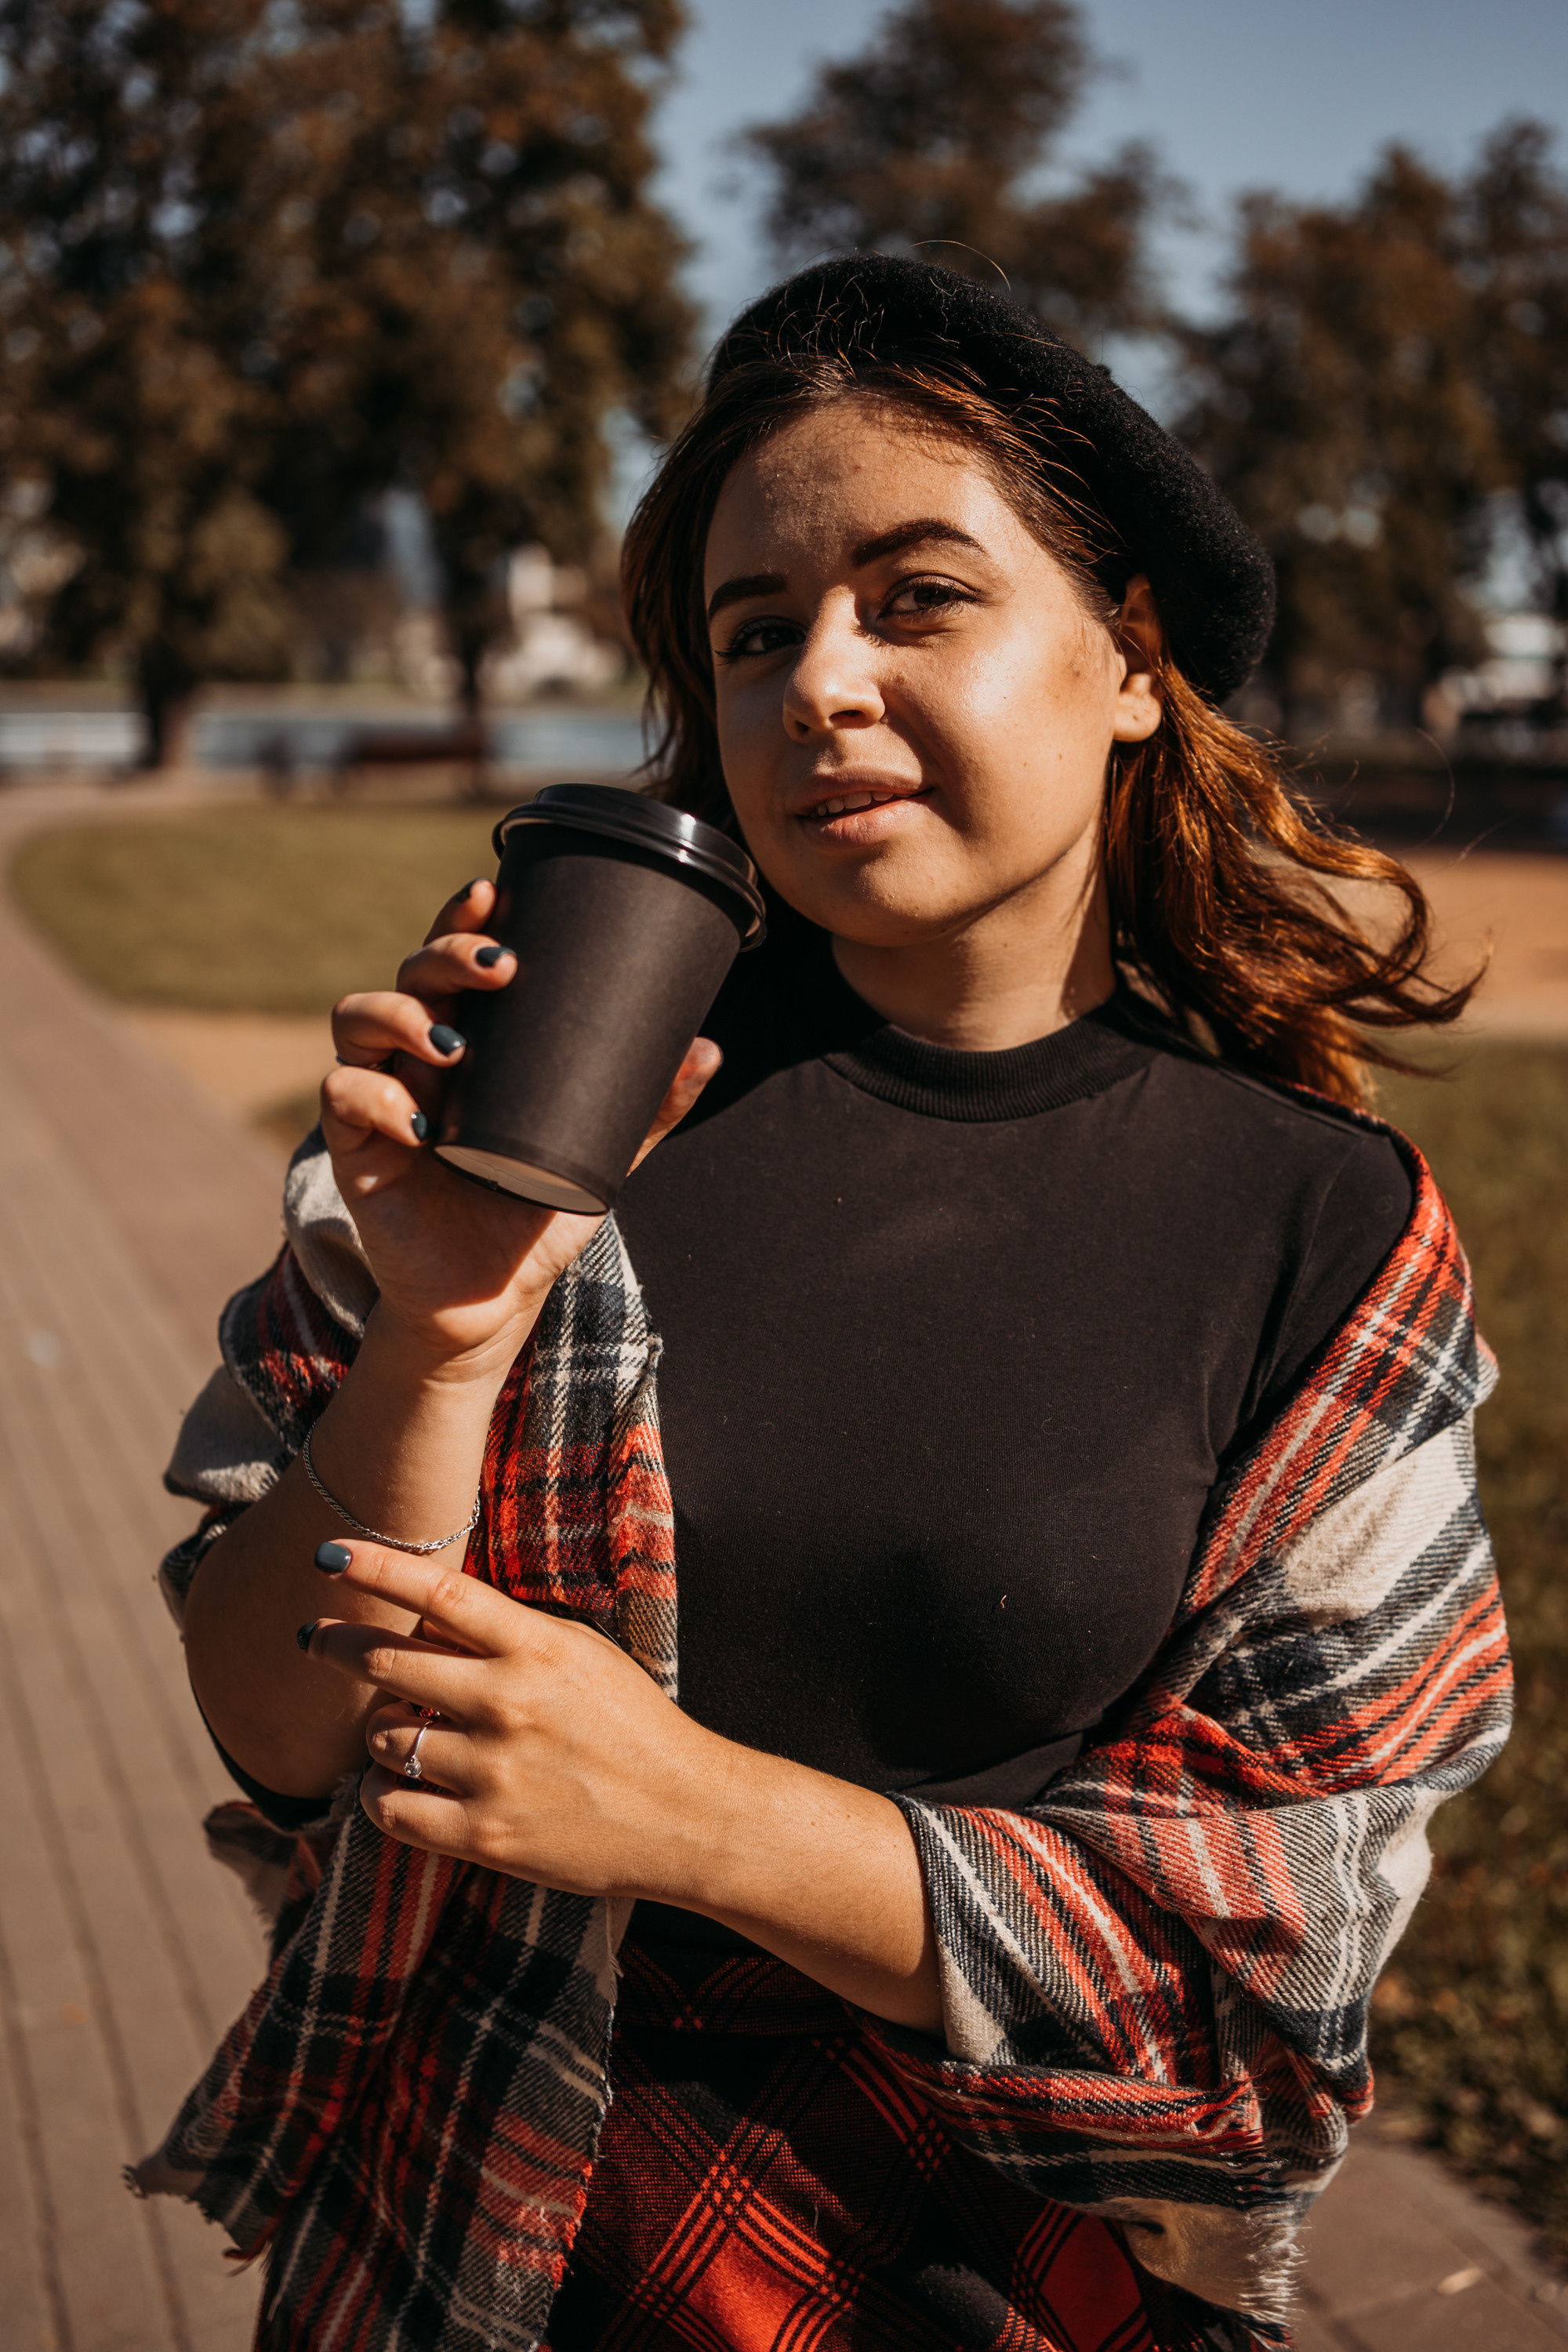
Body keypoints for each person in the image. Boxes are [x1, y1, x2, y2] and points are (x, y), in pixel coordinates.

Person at [133, 260, 1510, 2352]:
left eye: (915, 598)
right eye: (756, 633)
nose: (820, 685)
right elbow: (276, 1725)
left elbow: (1272, 1994)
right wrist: (435, 1326)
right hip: (449, 2270)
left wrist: (693, 1814)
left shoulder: (1324, 1232)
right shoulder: (560, 1110)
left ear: (1133, 656)